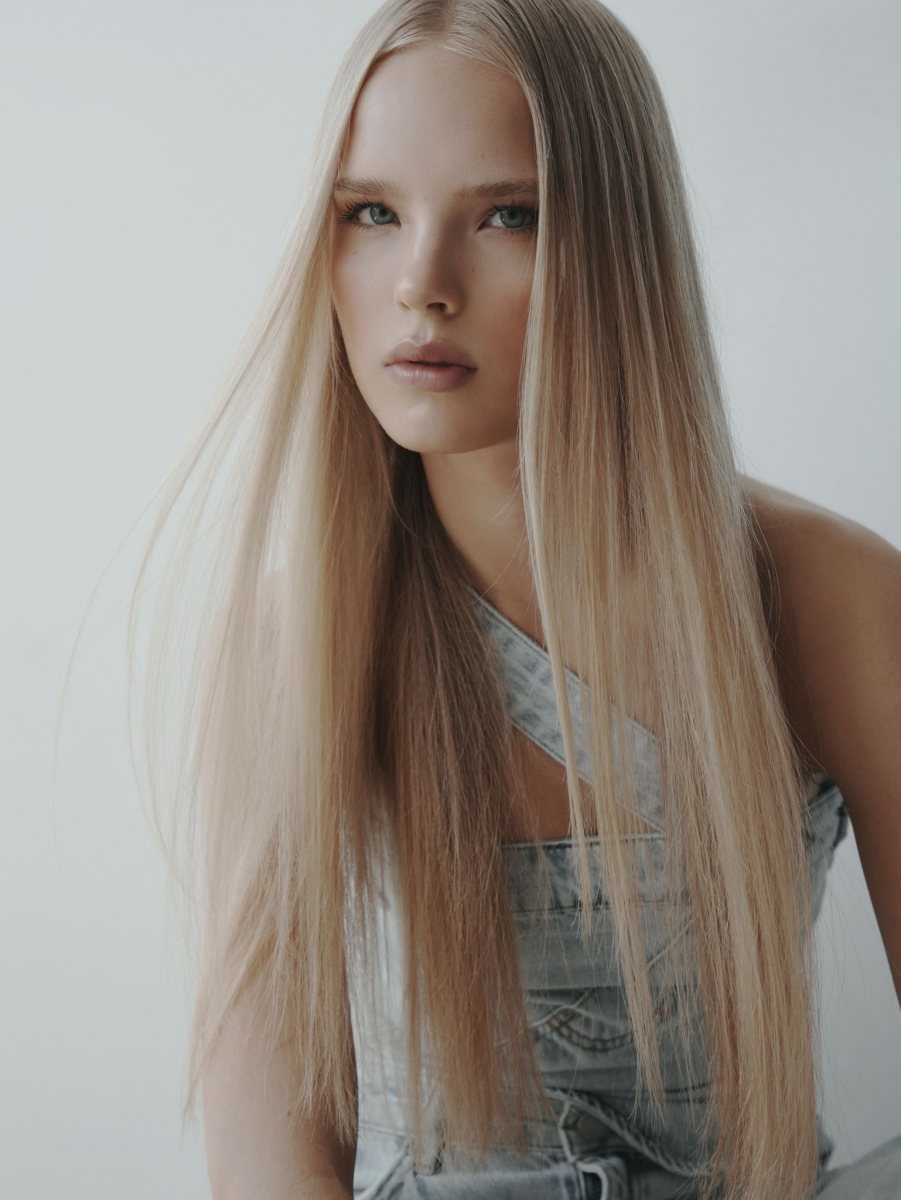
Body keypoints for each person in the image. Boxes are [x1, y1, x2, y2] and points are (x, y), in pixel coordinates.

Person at [126, 2, 901, 1197]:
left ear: (619, 246)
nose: (421, 286)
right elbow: (271, 1158)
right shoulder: (299, 635)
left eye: (508, 215)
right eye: (371, 213)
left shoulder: (826, 599)